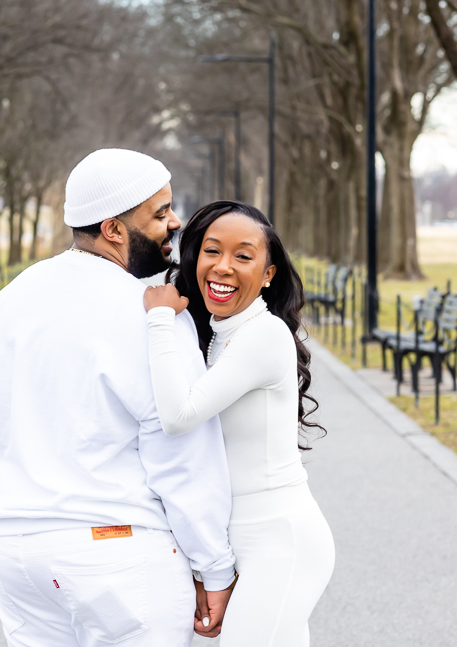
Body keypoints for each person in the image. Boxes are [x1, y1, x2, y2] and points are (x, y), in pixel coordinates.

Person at [0, 149, 237, 647]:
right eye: (159, 214)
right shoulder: (151, 315)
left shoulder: (8, 302)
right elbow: (181, 451)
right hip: (116, 555)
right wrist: (213, 567)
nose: (174, 223)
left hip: (17, 550)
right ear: (113, 229)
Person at [144, 200, 335, 647]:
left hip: (280, 538)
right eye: (212, 251)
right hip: (244, 540)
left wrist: (158, 319)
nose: (223, 267)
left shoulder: (264, 335)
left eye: (243, 256)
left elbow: (179, 416)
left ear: (268, 274)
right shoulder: (221, 332)